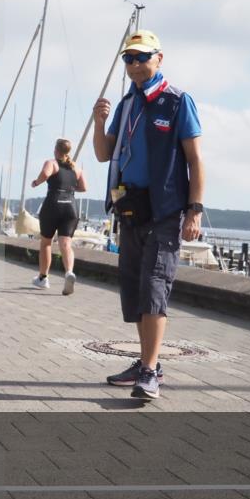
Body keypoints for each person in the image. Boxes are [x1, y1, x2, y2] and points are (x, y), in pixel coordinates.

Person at [91, 30, 205, 401]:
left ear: (159, 58)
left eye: (142, 57)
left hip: (166, 211)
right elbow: (104, 154)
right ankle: (144, 363)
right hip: (130, 209)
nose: (135, 64)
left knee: (155, 290)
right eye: (129, 58)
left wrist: (195, 211)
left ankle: (151, 372)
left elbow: (195, 160)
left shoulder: (176, 101)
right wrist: (98, 121)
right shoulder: (126, 105)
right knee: (137, 293)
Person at [29, 138, 87, 295]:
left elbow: (45, 174)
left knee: (46, 242)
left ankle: (43, 278)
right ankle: (69, 272)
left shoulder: (52, 163)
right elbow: (83, 187)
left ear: (56, 150)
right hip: (71, 207)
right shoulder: (76, 167)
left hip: (53, 205)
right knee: (66, 244)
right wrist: (69, 188)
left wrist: (36, 182)